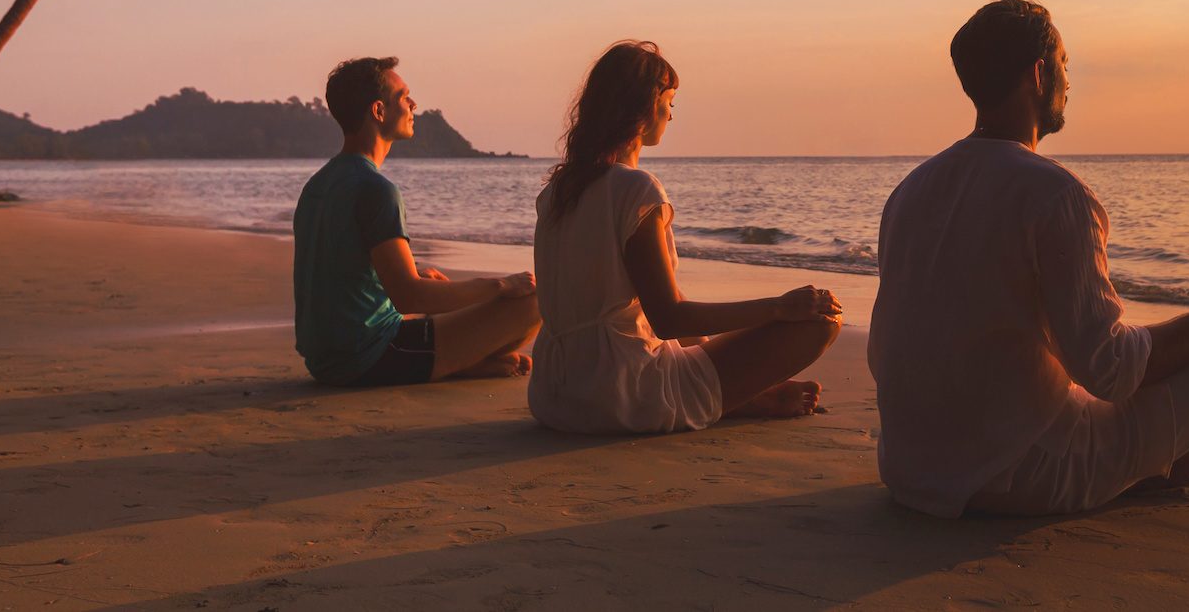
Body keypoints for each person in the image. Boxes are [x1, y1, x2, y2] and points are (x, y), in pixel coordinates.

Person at [869, 0, 1189, 518]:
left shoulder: (911, 190)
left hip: (911, 469)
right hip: (1017, 476)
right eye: (1065, 64)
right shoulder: (1057, 195)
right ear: (1039, 73)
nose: (1070, 79)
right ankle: (1147, 468)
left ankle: (1156, 463)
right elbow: (1106, 369)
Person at [529, 41, 842, 435]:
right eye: (670, 101)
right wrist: (778, 307)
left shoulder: (559, 190)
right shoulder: (635, 189)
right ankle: (739, 398)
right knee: (820, 320)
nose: (671, 115)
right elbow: (668, 319)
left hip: (555, 394)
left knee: (687, 349)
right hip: (618, 395)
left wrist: (710, 352)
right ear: (645, 106)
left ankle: (735, 395)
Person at [292, 57, 542, 386]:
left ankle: (463, 361)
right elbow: (410, 298)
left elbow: (336, 271)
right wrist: (500, 285)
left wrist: (413, 273)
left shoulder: (319, 185)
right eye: (404, 97)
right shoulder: (376, 189)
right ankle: (459, 363)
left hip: (323, 359)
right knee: (534, 302)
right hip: (366, 358)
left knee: (434, 284)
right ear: (379, 111)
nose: (413, 104)